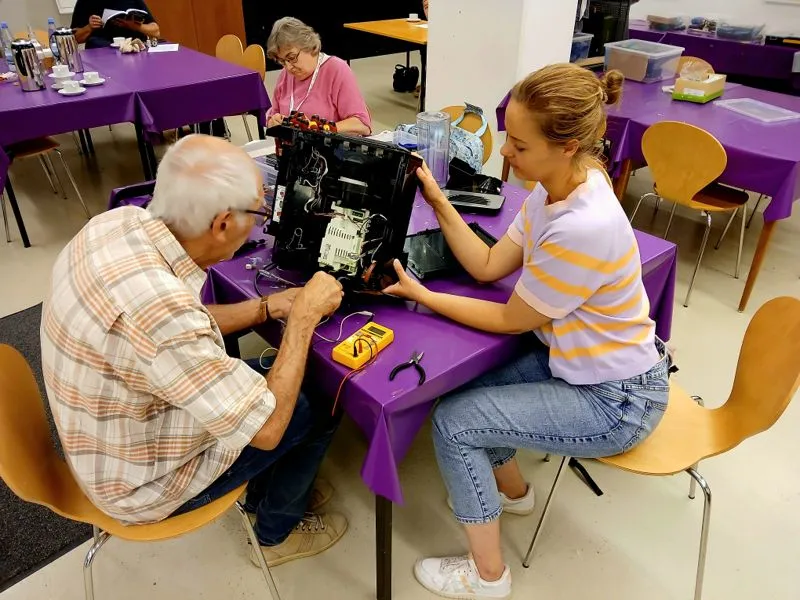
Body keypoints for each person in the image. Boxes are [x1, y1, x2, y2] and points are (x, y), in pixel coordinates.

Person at [384, 63, 670, 599]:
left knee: (455, 422)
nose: (504, 155)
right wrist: (436, 196)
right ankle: (512, 494)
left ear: (565, 146)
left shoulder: (582, 225)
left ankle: (487, 577)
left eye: (518, 144)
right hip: (581, 363)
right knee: (469, 389)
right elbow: (491, 265)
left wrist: (422, 295)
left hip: (617, 399)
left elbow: (510, 318)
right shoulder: (557, 186)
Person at [41, 134, 348, 567]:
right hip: (138, 487)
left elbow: (180, 326)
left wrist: (265, 307)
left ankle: (268, 488)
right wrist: (301, 319)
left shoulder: (115, 225)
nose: (260, 225)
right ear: (223, 223)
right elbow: (267, 430)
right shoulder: (161, 311)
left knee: (270, 373)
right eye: (259, 214)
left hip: (111, 434)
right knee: (319, 399)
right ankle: (276, 531)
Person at [266, 17, 371, 136]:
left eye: (292, 57)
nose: (289, 67)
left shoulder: (336, 70)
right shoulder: (285, 75)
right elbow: (272, 116)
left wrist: (320, 129)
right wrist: (273, 122)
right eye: (283, 61)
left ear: (308, 46)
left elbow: (362, 124)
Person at [71, 0, 160, 49]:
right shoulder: (85, 2)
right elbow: (74, 39)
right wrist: (89, 27)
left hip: (133, 49)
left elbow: (156, 31)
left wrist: (136, 26)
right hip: (102, 53)